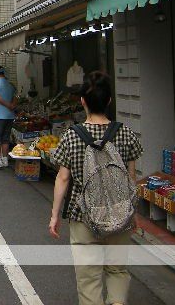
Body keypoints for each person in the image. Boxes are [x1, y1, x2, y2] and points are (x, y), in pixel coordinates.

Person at [49, 71, 142, 305]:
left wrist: (55, 215)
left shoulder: (72, 136)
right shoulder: (125, 133)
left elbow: (62, 179)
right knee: (117, 270)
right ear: (109, 100)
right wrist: (134, 212)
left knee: (88, 278)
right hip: (120, 214)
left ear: (82, 101)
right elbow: (130, 178)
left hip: (83, 215)